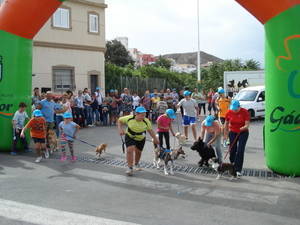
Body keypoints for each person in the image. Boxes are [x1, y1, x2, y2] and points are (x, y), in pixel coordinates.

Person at [118, 106, 159, 176]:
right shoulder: (129, 118)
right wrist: (120, 129)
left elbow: (150, 131)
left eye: (144, 115)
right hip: (130, 136)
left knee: (138, 152)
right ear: (136, 114)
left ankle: (136, 164)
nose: (143, 117)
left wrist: (155, 139)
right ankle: (130, 168)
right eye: (142, 115)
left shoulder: (146, 121)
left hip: (141, 138)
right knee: (129, 150)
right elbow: (119, 120)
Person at [224, 100, 250, 178]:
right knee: (232, 150)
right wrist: (225, 135)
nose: (234, 110)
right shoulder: (229, 112)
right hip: (232, 132)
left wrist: (243, 127)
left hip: (243, 132)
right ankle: (232, 165)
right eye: (233, 109)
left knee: (240, 150)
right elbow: (226, 124)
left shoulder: (245, 112)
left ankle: (238, 169)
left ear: (239, 106)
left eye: (235, 109)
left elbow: (247, 124)